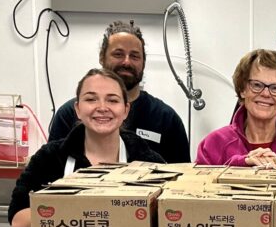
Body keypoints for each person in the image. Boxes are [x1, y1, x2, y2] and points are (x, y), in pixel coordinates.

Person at [9, 68, 164, 227]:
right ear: (77, 109)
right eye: (91, 99)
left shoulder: (150, 162)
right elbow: (19, 223)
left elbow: (166, 221)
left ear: (125, 110)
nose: (102, 107)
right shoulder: (50, 158)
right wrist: (87, 210)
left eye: (112, 100)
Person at [48, 20, 190, 164]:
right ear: (102, 58)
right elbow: (50, 171)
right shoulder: (68, 116)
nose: (126, 62)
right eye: (118, 54)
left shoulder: (166, 119)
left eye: (134, 56)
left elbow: (184, 180)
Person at [196, 49, 276, 168]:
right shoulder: (213, 144)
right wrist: (241, 164)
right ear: (242, 90)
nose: (266, 94)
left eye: (275, 88)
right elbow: (197, 187)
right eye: (256, 85)